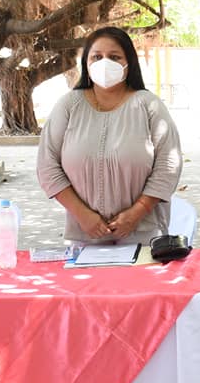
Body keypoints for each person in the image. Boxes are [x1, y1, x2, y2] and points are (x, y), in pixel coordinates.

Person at [37, 27, 182, 244]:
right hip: (84, 235)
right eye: (97, 57)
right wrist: (82, 215)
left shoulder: (149, 105)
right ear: (86, 63)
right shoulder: (68, 105)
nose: (104, 63)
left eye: (114, 57)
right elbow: (47, 166)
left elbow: (168, 165)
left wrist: (137, 212)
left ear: (129, 63)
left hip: (142, 234)